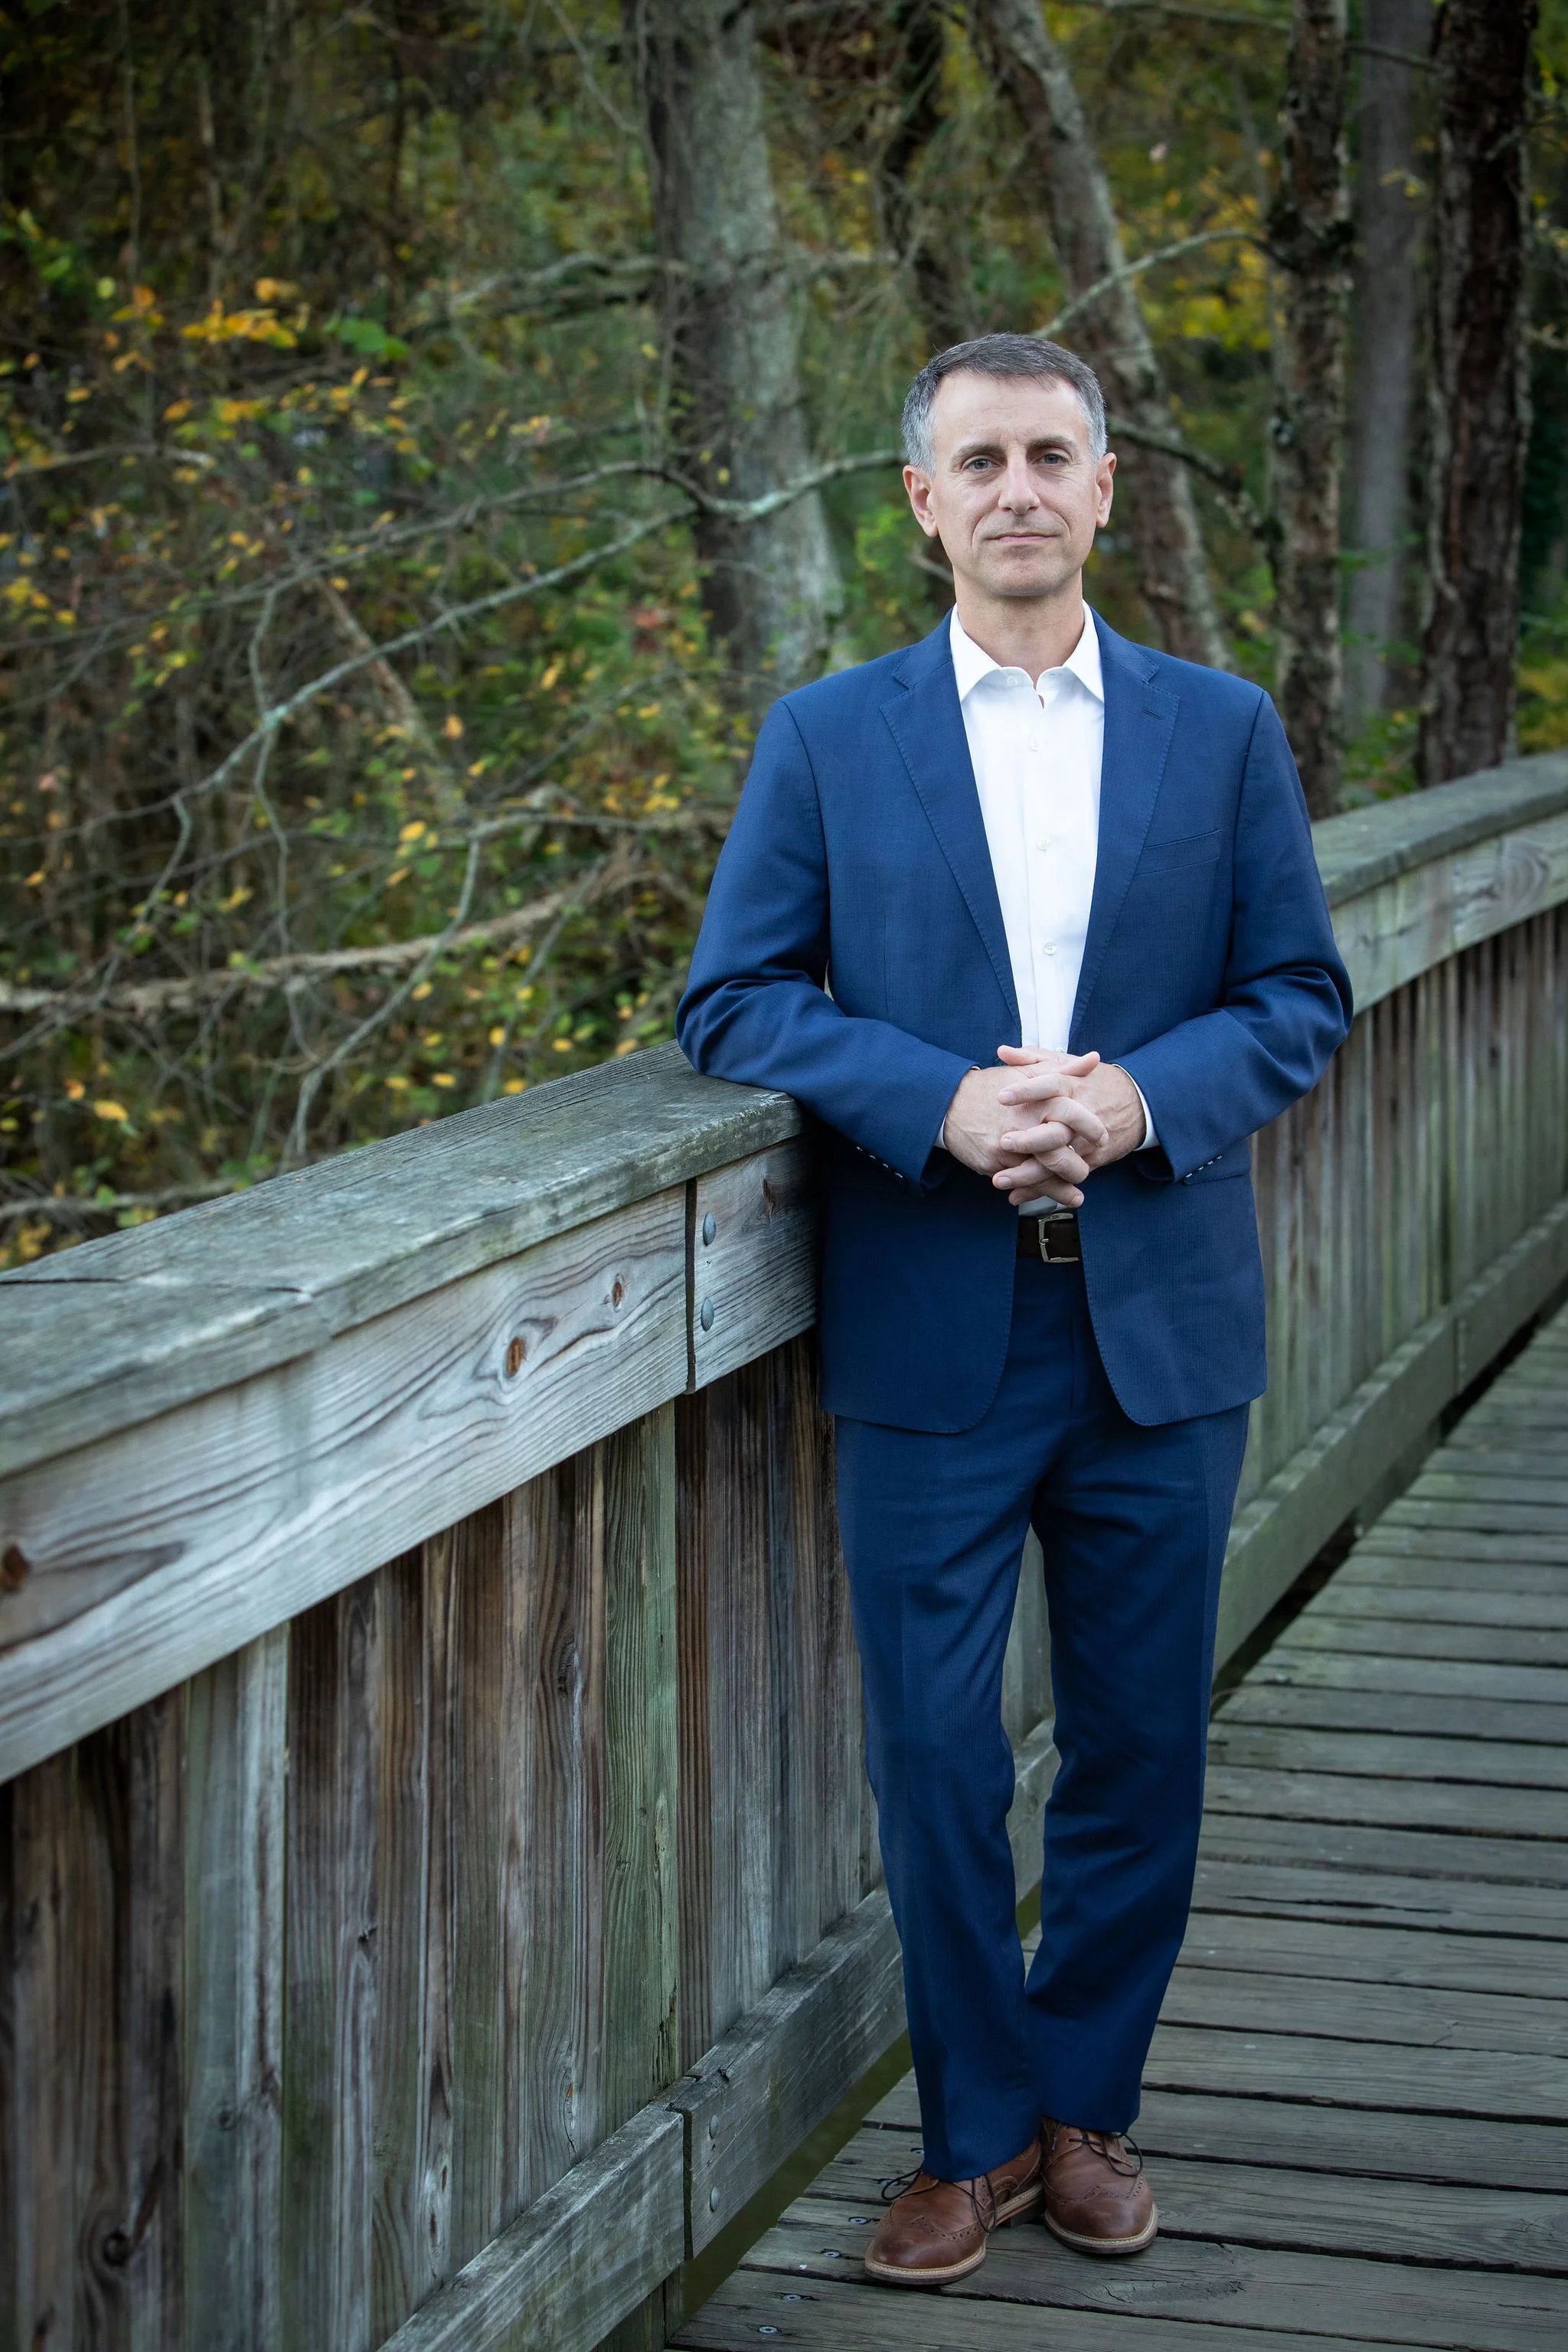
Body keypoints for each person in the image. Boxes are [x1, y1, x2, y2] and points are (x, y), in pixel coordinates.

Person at [676, 334, 1351, 2287]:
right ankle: (967, 2133)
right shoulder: (827, 735)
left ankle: (1088, 2109)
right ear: (921, 503)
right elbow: (734, 999)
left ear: (1107, 484)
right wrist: (943, 1102)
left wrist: (1138, 1099)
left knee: (1141, 1744)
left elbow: (1296, 996)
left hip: (1160, 1323)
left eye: (1051, 453)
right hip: (928, 1327)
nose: (1017, 489)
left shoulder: (1221, 731)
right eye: (977, 460)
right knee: (937, 1757)